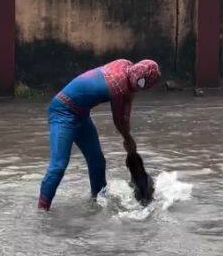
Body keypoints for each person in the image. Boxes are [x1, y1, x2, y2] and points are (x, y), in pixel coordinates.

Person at [38, 59, 161, 211]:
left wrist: (128, 138)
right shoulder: (119, 85)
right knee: (59, 166)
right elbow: (119, 119)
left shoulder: (125, 65)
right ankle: (42, 212)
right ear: (137, 72)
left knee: (97, 161)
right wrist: (128, 139)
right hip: (62, 112)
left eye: (143, 85)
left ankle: (98, 202)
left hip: (81, 115)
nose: (139, 86)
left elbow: (126, 105)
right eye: (140, 83)